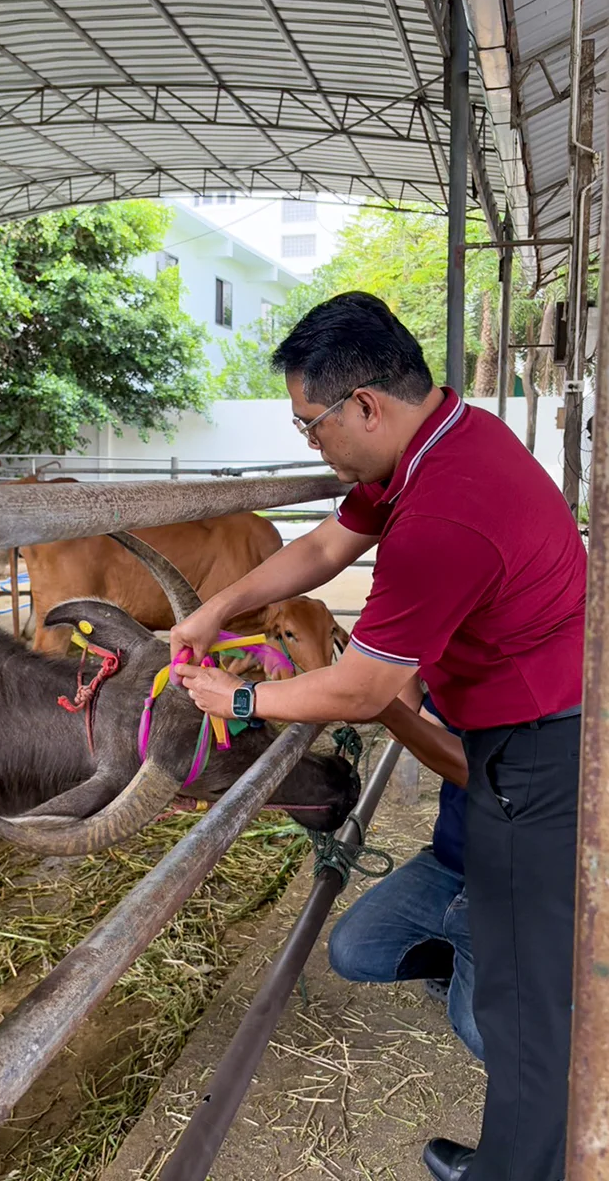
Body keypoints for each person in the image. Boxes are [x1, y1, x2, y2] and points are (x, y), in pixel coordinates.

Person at [170, 292, 585, 1181]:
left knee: (519, 1006)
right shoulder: (437, 443)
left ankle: (519, 1172)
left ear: (365, 405)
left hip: (535, 746)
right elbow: (324, 546)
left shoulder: (445, 513)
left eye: (310, 427)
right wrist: (216, 605)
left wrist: (238, 704)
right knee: (515, 982)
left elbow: (362, 689)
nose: (311, 446)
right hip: (522, 722)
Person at [328, 680, 483, 1062]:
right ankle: (459, 960)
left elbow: (478, 772)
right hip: (449, 859)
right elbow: (422, 721)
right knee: (351, 949)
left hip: (516, 882)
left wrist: (372, 699)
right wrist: (407, 671)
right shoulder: (473, 669)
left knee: (482, 1035)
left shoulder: (564, 697)